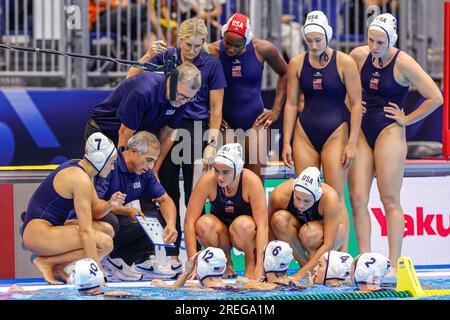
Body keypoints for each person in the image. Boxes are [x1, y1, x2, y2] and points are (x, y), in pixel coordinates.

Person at [348, 13, 443, 276]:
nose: (374, 47)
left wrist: (407, 118)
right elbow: (343, 85)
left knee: (389, 199)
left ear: (391, 41)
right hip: (363, 131)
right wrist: (351, 104)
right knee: (357, 198)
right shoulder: (358, 56)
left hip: (389, 130)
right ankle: (365, 260)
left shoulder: (404, 63)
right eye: (371, 40)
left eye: (380, 42)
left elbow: (435, 97)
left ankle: (393, 264)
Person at [127, 18, 227, 266]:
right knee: (166, 190)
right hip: (166, 127)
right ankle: (171, 254)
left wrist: (212, 144)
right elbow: (131, 77)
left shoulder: (212, 65)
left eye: (197, 45)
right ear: (178, 40)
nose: (191, 51)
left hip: (194, 131)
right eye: (187, 44)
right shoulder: (168, 56)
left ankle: (201, 255)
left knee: (194, 197)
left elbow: (216, 111)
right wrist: (149, 54)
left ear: (204, 43)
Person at [282, 10, 364, 252]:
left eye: (318, 40)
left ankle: (341, 257)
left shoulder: (345, 62)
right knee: (304, 195)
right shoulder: (297, 63)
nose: (314, 45)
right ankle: (313, 255)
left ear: (327, 36)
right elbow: (291, 103)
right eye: (310, 40)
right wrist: (286, 142)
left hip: (336, 131)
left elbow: (357, 103)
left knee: (335, 198)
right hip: (304, 132)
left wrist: (352, 142)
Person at [67, 131, 179, 280]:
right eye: (149, 159)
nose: (151, 166)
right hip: (80, 222)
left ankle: (121, 261)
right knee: (111, 221)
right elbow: (92, 207)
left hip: (110, 221)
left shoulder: (145, 172)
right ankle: (83, 262)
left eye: (154, 161)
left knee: (152, 218)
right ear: (133, 151)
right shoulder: (109, 164)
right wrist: (125, 210)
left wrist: (171, 225)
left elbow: (165, 200)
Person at [21, 133, 124, 284]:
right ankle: (47, 262)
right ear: (99, 160)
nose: (113, 167)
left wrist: (109, 204)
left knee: (107, 229)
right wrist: (98, 276)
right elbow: (85, 231)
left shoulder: (82, 169)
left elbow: (95, 210)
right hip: (38, 234)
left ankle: (57, 266)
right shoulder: (80, 180)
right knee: (106, 243)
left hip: (48, 228)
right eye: (112, 162)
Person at [208, 12, 288, 180]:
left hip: (255, 122)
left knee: (254, 178)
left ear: (248, 40)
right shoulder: (213, 51)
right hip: (226, 123)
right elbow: (199, 84)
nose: (231, 49)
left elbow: (285, 73)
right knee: (225, 177)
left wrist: (276, 109)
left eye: (237, 46)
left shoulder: (263, 49)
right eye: (228, 43)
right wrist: (211, 114)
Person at [85, 62, 201, 164]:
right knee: (107, 181)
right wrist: (121, 172)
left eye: (188, 98)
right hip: (105, 132)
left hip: (134, 138)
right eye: (180, 94)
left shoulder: (182, 97)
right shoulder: (144, 92)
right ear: (171, 80)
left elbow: (168, 134)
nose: (182, 101)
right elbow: (125, 133)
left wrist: (155, 169)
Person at [184, 143, 268, 280]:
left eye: (225, 172)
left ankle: (251, 264)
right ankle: (226, 263)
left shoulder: (251, 181)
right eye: (216, 170)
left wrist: (261, 266)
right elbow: (189, 222)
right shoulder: (207, 180)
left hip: (244, 233)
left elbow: (263, 226)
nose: (220, 177)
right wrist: (193, 264)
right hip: (219, 232)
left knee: (243, 225)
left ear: (238, 169)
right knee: (202, 224)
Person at [269, 166, 347, 280]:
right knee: (278, 219)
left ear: (317, 197)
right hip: (300, 229)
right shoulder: (280, 194)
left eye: (307, 201)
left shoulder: (329, 197)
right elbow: (268, 230)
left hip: (325, 234)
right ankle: (306, 268)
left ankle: (307, 272)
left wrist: (297, 277)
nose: (301, 205)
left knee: (310, 233)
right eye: (298, 198)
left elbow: (328, 243)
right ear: (293, 190)